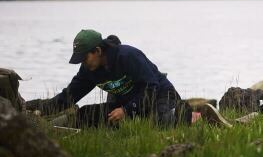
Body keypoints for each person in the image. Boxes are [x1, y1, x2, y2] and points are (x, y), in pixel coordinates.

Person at [26, 29, 231, 128]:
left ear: (97, 50)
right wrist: (39, 110)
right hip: (127, 104)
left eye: (84, 57)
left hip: (159, 95)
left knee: (159, 122)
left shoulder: (128, 56)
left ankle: (198, 115)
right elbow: (68, 97)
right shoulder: (88, 70)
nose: (83, 63)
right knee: (87, 114)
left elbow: (150, 88)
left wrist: (127, 110)